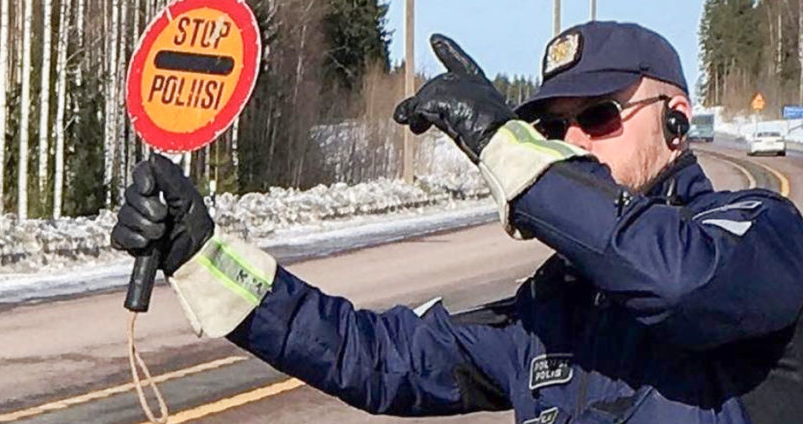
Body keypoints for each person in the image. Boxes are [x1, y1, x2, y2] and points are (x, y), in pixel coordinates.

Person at [112, 21, 803, 423]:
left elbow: (680, 282)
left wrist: (508, 145)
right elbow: (379, 357)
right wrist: (204, 257)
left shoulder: (759, 232)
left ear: (677, 118)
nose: (577, 142)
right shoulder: (554, 308)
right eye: (555, 129)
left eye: (599, 116)